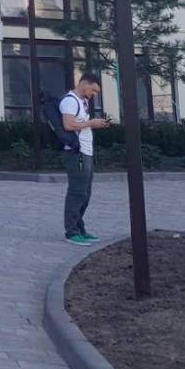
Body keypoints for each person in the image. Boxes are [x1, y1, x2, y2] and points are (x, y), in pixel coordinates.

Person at [59, 72, 109, 244]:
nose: (94, 95)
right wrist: (91, 123)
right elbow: (68, 124)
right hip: (76, 153)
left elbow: (79, 124)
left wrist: (94, 124)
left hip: (85, 152)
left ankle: (80, 228)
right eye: (93, 90)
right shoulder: (70, 101)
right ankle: (71, 232)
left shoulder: (83, 101)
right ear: (84, 83)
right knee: (77, 192)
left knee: (85, 193)